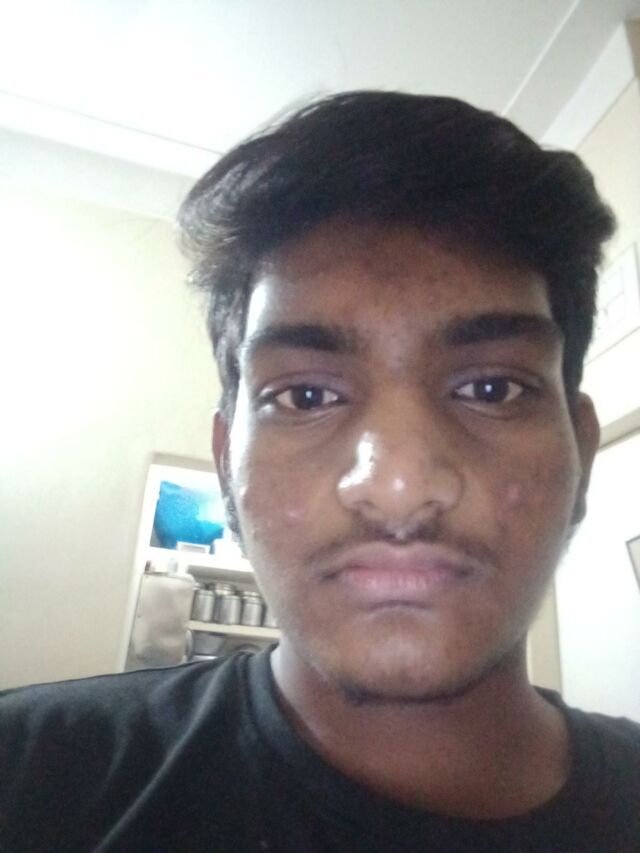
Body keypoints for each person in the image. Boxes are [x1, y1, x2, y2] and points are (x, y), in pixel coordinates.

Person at [0, 91, 637, 853]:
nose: (397, 485)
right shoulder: (26, 774)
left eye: (492, 388)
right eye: (305, 396)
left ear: (581, 449)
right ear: (225, 464)